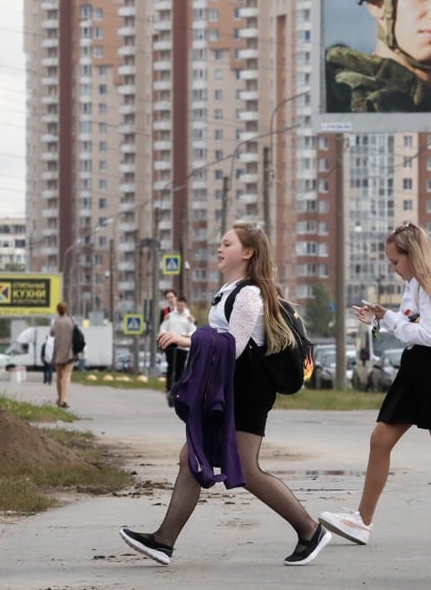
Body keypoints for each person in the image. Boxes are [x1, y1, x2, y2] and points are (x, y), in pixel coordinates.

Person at [119, 223, 330, 567]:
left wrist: (186, 340)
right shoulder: (231, 290)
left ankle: (310, 530)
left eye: (226, 243)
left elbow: (233, 346)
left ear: (247, 253)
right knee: (192, 457)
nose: (219, 248)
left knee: (246, 469)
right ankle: (163, 541)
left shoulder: (249, 294)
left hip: (248, 391)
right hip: (233, 388)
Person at [318, 222, 431, 545]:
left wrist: (391, 320)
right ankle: (362, 521)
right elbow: (413, 327)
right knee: (381, 439)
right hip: (418, 368)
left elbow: (427, 334)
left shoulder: (430, 283)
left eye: (396, 261)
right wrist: (384, 317)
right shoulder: (414, 284)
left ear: (413, 256)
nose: (393, 268)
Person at [158, 296, 196, 407]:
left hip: (182, 347)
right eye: (178, 305)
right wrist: (166, 335)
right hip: (171, 346)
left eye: (182, 305)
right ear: (176, 305)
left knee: (180, 369)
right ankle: (169, 390)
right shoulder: (170, 316)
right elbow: (162, 328)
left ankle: (178, 391)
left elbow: (193, 331)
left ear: (185, 305)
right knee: (170, 368)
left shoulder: (188, 317)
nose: (180, 307)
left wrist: (184, 336)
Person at [48, 301, 76, 408]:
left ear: (57, 310)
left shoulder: (55, 322)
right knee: (67, 377)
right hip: (70, 352)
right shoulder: (71, 321)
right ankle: (64, 399)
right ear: (66, 309)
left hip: (58, 352)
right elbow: (75, 334)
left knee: (59, 377)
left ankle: (60, 399)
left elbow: (51, 334)